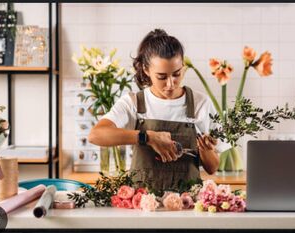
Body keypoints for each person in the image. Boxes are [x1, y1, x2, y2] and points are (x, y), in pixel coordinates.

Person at [88, 29, 231, 191]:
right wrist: (147, 137)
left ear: (183, 66)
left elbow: (212, 168)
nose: (170, 84)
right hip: (142, 205)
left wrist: (206, 150)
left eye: (176, 74)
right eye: (162, 77)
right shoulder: (134, 102)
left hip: (187, 205)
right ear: (146, 70)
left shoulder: (200, 103)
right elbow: (95, 135)